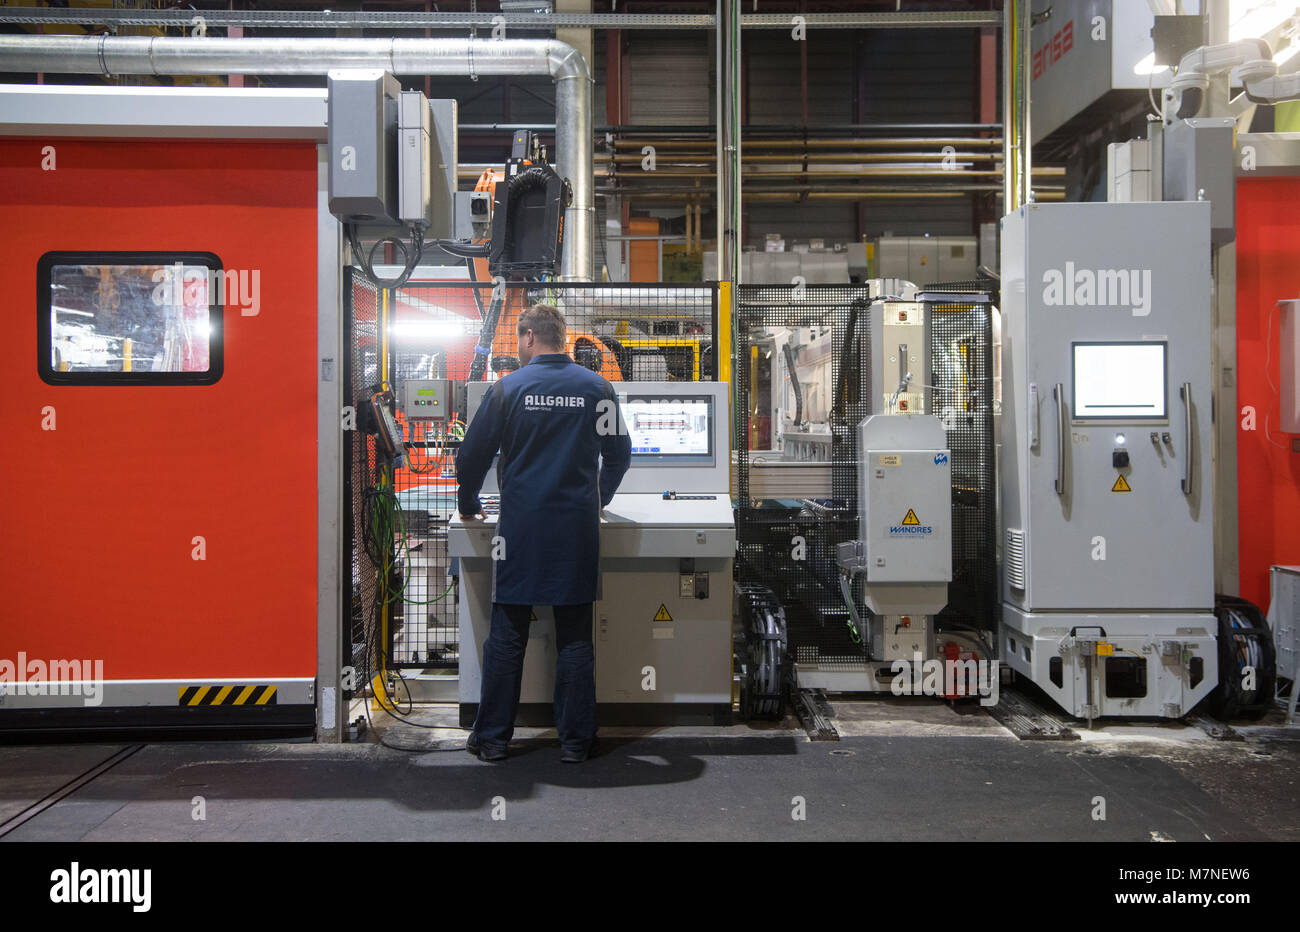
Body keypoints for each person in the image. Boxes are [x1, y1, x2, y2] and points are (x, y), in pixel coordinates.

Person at [455, 303, 632, 763]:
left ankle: (493, 739)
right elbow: (619, 456)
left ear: (530, 337)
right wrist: (600, 498)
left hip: (520, 530)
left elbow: (471, 456)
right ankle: (576, 743)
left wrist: (469, 504)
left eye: (518, 339)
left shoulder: (508, 389)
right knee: (575, 637)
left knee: (508, 634)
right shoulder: (597, 388)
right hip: (576, 530)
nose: (517, 346)